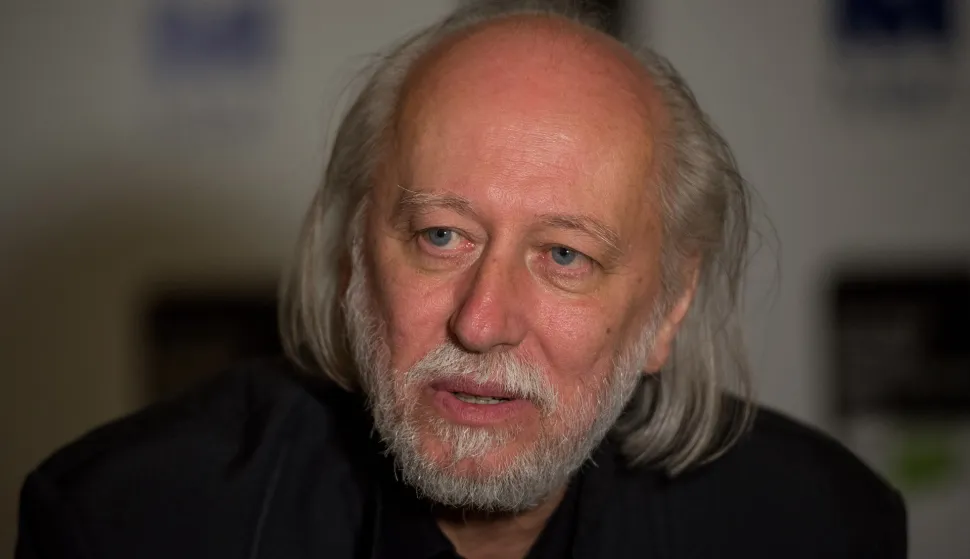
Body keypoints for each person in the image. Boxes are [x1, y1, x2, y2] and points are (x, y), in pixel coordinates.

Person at [16, 1, 907, 558]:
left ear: (669, 304)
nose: (482, 322)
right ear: (353, 259)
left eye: (565, 255)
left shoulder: (818, 526)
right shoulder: (127, 525)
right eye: (442, 235)